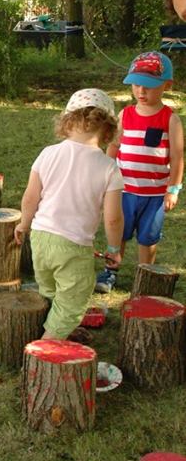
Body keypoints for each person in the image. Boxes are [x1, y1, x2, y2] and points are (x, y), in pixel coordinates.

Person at [14, 89, 124, 341]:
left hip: (40, 239)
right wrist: (114, 248)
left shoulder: (48, 153)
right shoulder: (109, 168)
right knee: (73, 300)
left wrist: (23, 224)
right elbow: (113, 218)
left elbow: (30, 197)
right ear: (108, 131)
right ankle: (46, 348)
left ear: (67, 121)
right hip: (73, 246)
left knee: (51, 290)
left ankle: (55, 328)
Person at [95, 51, 184, 293]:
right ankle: (110, 272)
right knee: (118, 233)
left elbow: (177, 158)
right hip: (123, 191)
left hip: (154, 196)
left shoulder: (171, 120)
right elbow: (114, 147)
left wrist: (173, 189)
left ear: (167, 85)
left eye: (148, 86)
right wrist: (104, 176)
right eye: (136, 85)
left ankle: (145, 276)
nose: (141, 91)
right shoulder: (125, 115)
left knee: (148, 237)